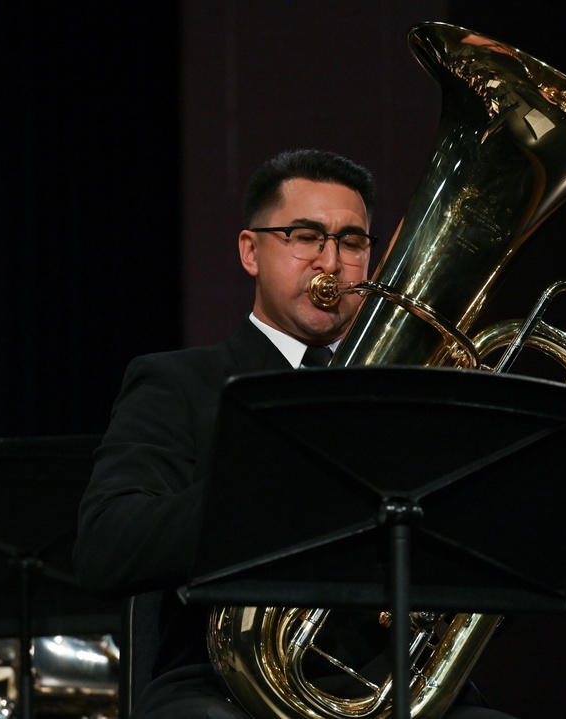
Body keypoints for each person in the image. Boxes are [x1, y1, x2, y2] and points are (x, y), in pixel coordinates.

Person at [74, 149, 513, 719]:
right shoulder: (178, 382)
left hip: (390, 684)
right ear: (251, 251)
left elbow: (484, 589)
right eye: (305, 236)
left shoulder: (409, 396)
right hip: (222, 689)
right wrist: (265, 491)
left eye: (353, 242)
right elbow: (108, 546)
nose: (331, 262)